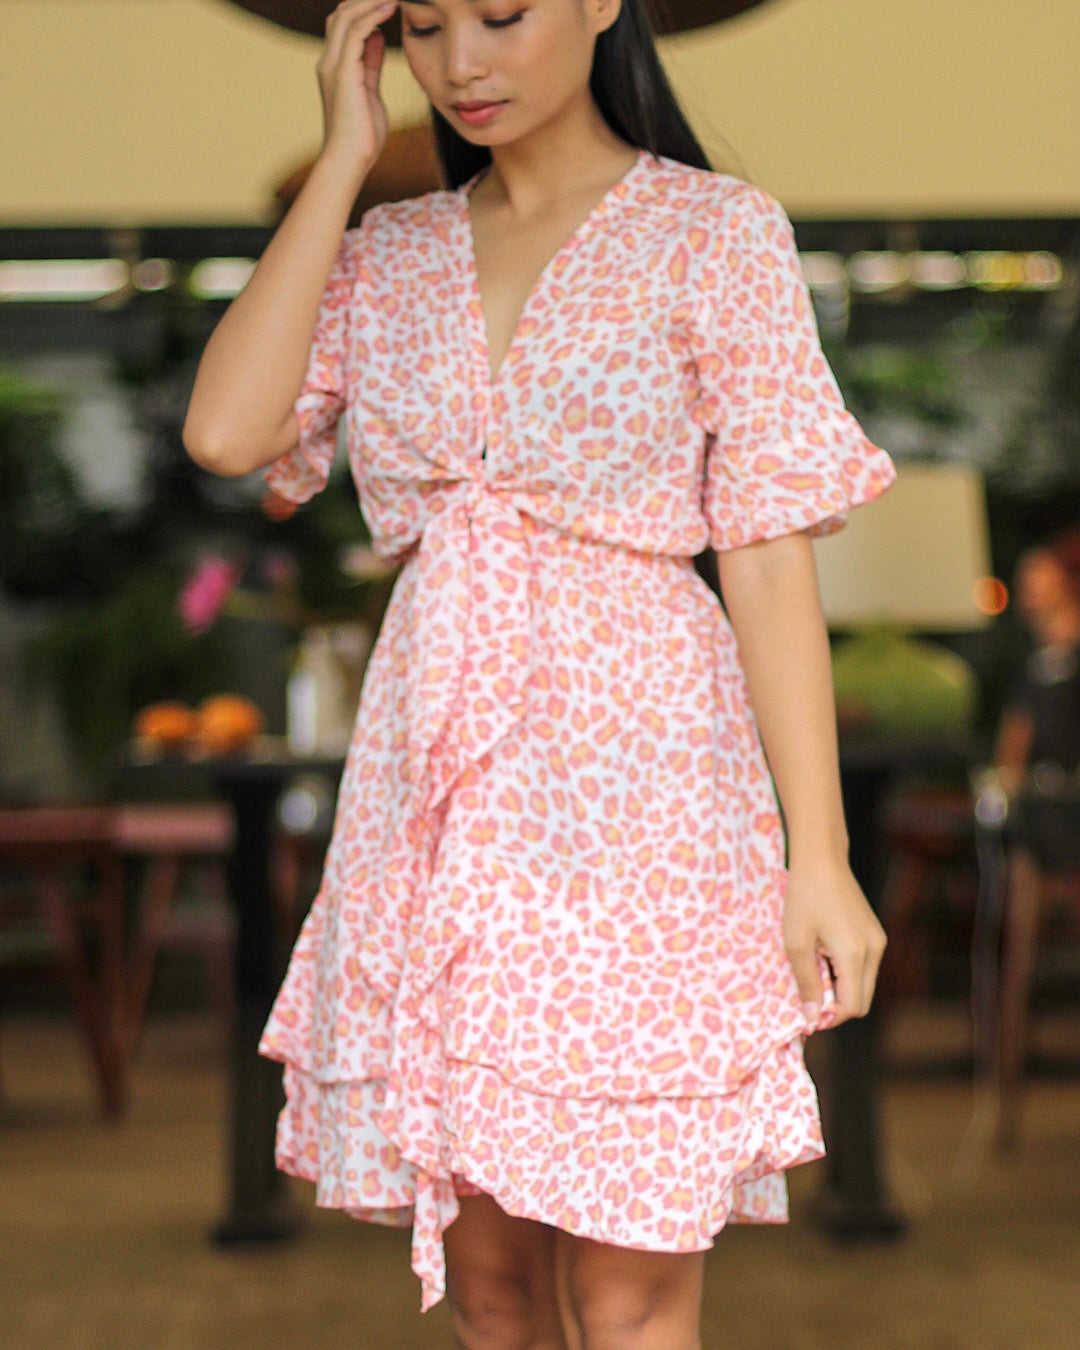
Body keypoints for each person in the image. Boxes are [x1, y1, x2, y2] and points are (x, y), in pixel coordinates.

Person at [183, 1, 896, 1344]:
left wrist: (822, 856)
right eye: (425, 24)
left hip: (647, 806)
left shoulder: (714, 232)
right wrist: (343, 157)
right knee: (493, 1291)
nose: (460, 63)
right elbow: (227, 432)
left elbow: (766, 558)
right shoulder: (386, 254)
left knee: (628, 1293)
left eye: (502, 14)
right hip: (442, 813)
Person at [991, 529, 1080, 1146]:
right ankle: (1005, 1109)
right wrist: (1004, 782)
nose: (1027, 589)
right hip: (1038, 822)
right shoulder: (1034, 663)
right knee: (1016, 951)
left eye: (1037, 578)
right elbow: (1016, 738)